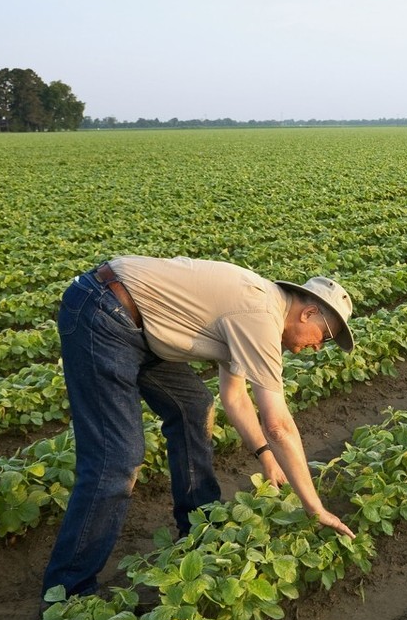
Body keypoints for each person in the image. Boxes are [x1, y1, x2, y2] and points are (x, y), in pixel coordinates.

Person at [42, 255, 357, 601]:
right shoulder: (261, 314)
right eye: (324, 337)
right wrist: (314, 506)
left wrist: (266, 456)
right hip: (103, 312)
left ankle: (199, 529)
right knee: (117, 459)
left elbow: (234, 396)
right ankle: (68, 591)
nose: (316, 346)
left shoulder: (261, 311)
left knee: (194, 406)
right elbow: (278, 424)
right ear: (309, 313)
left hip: (138, 324)